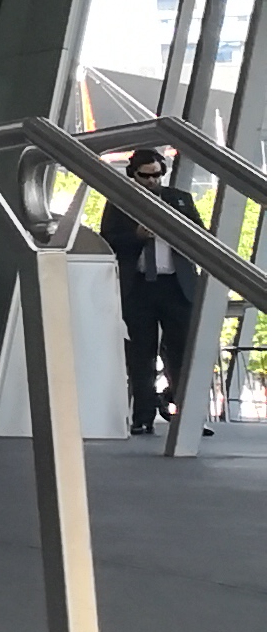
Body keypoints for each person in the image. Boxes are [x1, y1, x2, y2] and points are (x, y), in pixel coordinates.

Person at [99, 147, 208, 436]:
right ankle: (143, 417)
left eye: (157, 175)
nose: (152, 181)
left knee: (183, 352)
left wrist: (178, 232)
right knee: (140, 354)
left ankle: (187, 416)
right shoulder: (120, 201)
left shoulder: (179, 199)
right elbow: (108, 240)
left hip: (176, 286)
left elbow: (201, 235)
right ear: (132, 174)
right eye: (145, 176)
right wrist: (135, 236)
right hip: (139, 287)